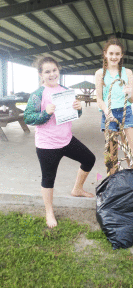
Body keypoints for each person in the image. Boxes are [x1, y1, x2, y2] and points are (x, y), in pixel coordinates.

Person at [24, 57, 95, 228]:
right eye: (47, 71)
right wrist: (45, 113)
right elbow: (28, 117)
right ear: (41, 75)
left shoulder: (66, 91)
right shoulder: (37, 94)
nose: (51, 74)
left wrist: (78, 110)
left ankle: (77, 189)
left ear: (58, 71)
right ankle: (49, 212)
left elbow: (73, 115)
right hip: (47, 145)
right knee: (48, 178)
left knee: (89, 159)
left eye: (54, 70)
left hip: (67, 139)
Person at [95, 36, 133, 172]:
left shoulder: (127, 72)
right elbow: (99, 99)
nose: (114, 57)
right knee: (111, 154)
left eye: (117, 54)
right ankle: (113, 182)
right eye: (111, 53)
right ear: (105, 54)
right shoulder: (100, 73)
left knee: (129, 151)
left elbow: (132, 100)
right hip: (109, 114)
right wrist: (107, 112)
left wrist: (129, 93)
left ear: (121, 55)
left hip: (126, 113)